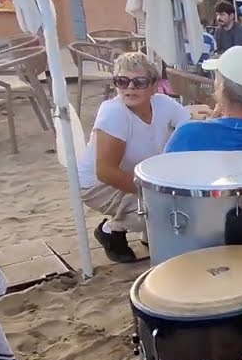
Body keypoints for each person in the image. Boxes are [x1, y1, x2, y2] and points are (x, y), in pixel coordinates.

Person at [78, 52, 191, 263]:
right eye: (122, 81)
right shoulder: (114, 113)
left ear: (154, 84)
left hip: (135, 173)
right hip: (98, 184)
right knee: (165, 206)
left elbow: (189, 125)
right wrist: (158, 193)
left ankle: (151, 230)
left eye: (139, 82)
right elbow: (106, 172)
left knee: (176, 197)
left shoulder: (162, 103)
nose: (129, 88)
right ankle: (111, 230)